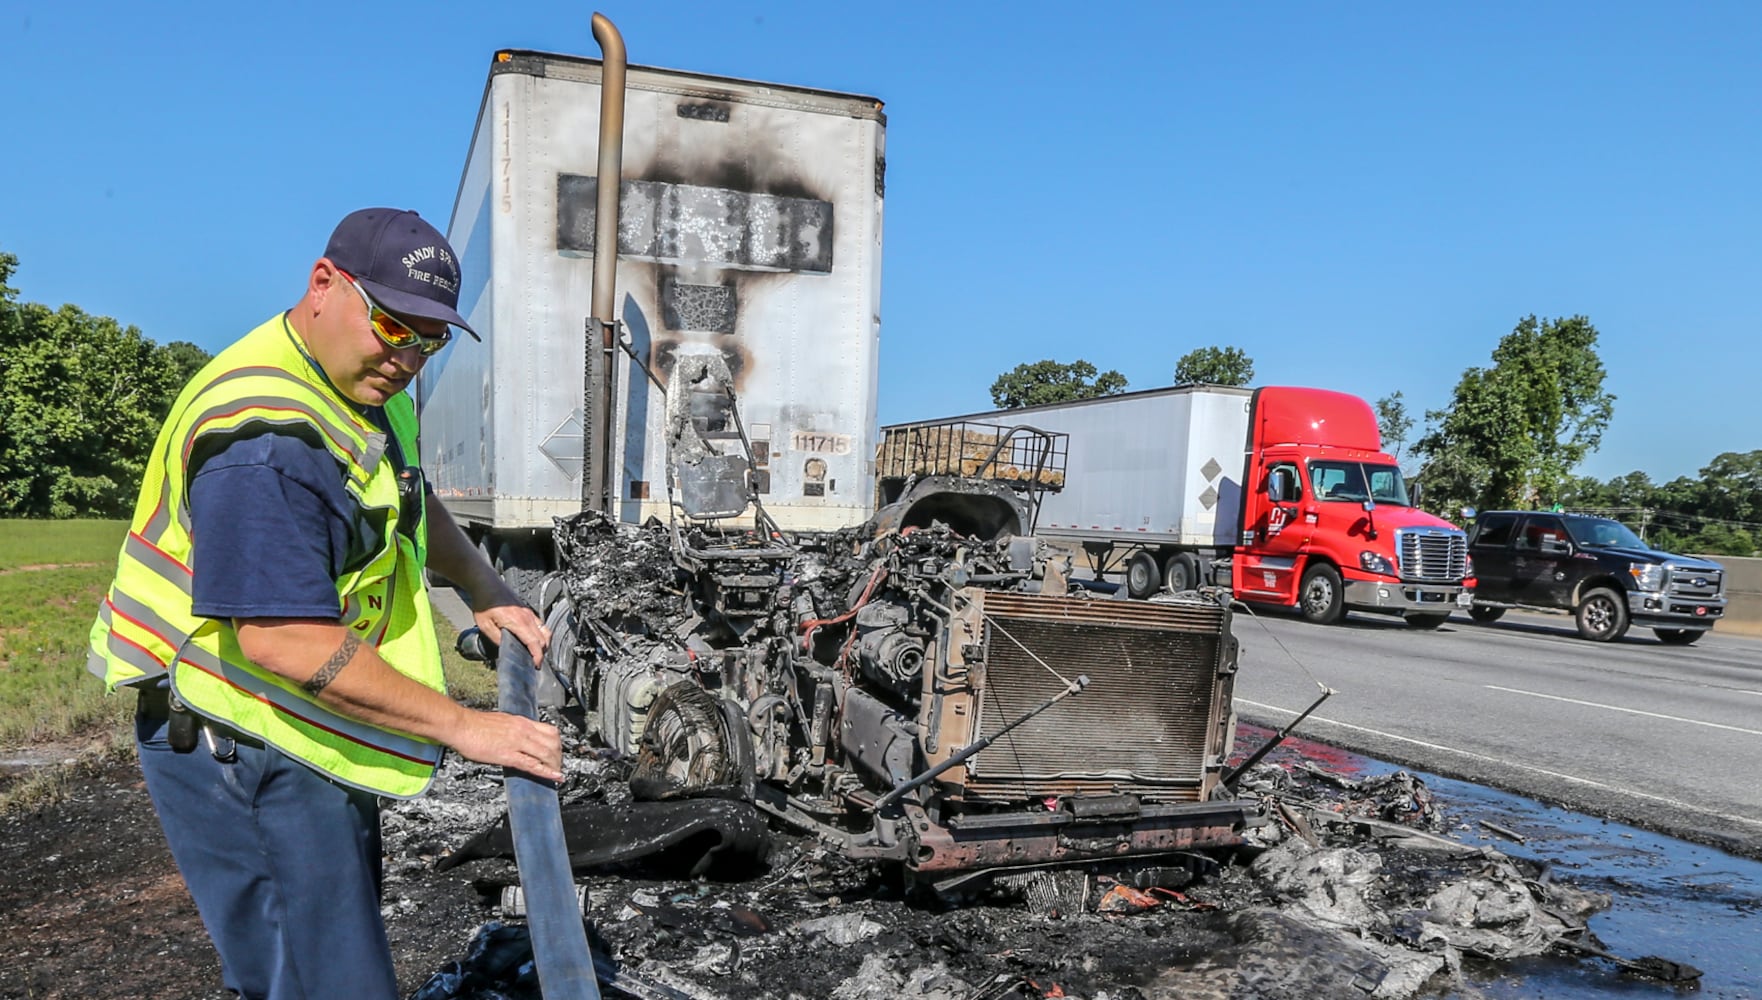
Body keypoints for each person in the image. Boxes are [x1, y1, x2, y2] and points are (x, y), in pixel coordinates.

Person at [86, 208, 563, 1000]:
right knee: (316, 982)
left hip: (296, 722)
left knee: (327, 958)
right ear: (323, 284)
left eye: (430, 338)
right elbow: (283, 642)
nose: (407, 355)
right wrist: (469, 727)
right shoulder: (267, 442)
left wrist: (483, 587)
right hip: (238, 736)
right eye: (391, 324)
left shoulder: (359, 378)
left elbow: (412, 495)